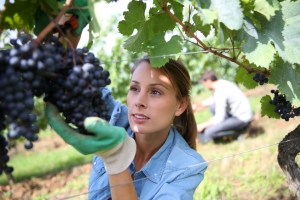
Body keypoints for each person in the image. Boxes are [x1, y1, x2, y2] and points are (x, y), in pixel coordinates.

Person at [45, 57, 208, 200]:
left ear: (181, 104)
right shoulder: (114, 117)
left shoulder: (188, 168)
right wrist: (69, 26)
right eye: (134, 88)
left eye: (156, 92)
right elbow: (67, 71)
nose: (139, 101)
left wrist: (116, 159)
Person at [193, 70, 253, 144]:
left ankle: (238, 133)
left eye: (204, 83)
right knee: (212, 107)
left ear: (208, 81)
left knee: (209, 132)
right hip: (237, 114)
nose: (204, 86)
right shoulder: (221, 83)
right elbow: (213, 100)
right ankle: (224, 127)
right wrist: (197, 105)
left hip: (242, 119)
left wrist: (202, 125)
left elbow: (219, 118)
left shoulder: (220, 91)